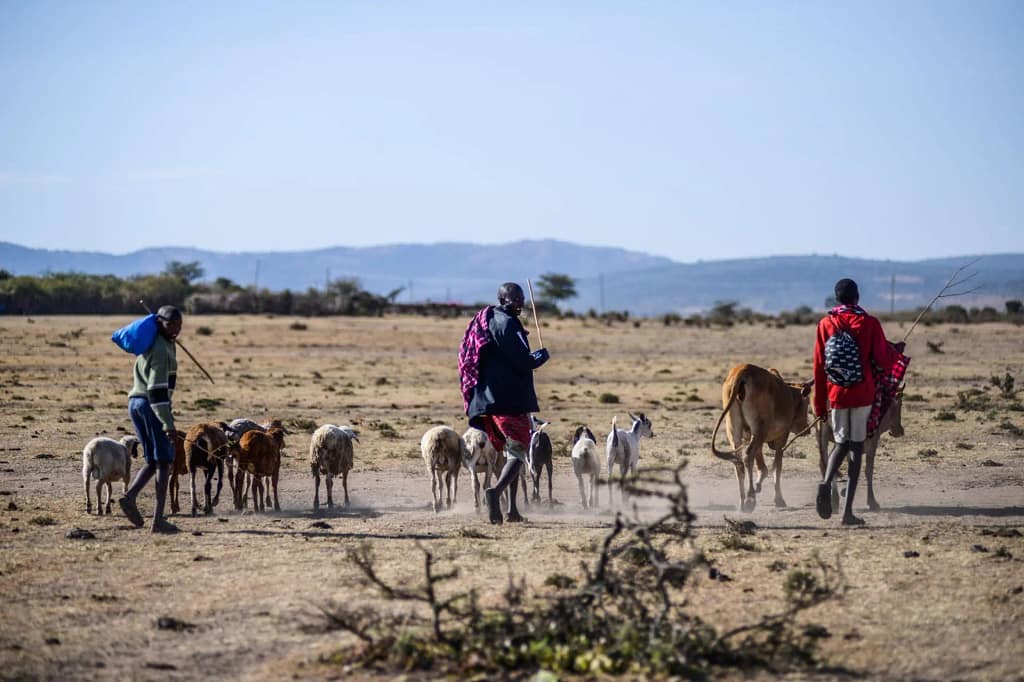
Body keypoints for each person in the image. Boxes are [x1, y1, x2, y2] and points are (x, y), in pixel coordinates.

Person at [813, 279, 904, 526]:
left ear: (837, 298)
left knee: (840, 442)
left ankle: (825, 484)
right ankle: (847, 514)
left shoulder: (825, 324)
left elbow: (819, 367)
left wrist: (819, 405)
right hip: (863, 394)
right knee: (855, 448)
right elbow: (884, 361)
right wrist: (895, 350)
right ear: (857, 297)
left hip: (836, 395)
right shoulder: (870, 323)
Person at [459, 282, 549, 524]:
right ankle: (495, 493)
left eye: (521, 298)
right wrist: (538, 359)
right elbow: (521, 360)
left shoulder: (493, 319)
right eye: (516, 298)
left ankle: (512, 510)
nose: (520, 302)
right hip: (507, 400)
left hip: (493, 400)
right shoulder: (506, 323)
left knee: (510, 454)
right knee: (518, 452)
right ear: (504, 299)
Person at [119, 305, 183, 533]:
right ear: (159, 322)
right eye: (170, 324)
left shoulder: (156, 343)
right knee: (165, 461)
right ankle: (158, 520)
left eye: (179, 325)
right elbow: (157, 391)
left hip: (135, 403)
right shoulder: (160, 349)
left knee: (152, 460)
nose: (176, 329)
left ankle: (130, 497)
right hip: (150, 405)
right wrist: (168, 425)